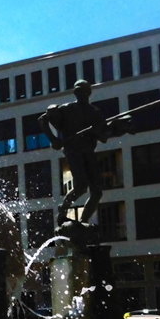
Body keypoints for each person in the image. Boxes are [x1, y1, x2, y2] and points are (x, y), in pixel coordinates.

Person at [40, 80, 132, 225]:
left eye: (84, 92)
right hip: (73, 151)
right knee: (81, 186)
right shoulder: (67, 109)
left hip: (88, 151)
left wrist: (119, 128)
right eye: (79, 92)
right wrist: (53, 139)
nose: (82, 95)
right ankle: (63, 208)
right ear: (76, 93)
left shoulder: (94, 112)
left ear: (88, 93)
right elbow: (43, 120)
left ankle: (84, 222)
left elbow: (103, 135)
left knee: (97, 192)